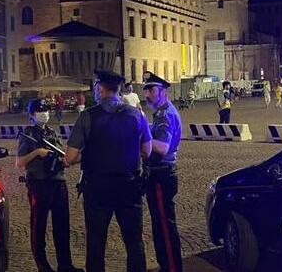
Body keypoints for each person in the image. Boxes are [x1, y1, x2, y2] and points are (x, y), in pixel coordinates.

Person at [65, 70, 151, 272]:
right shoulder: (137, 115)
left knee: (96, 243)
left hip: (97, 188)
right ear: (119, 89)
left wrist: (91, 155)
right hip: (129, 186)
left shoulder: (87, 116)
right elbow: (147, 150)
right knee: (134, 242)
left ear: (100, 89)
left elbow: (69, 157)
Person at [16, 99, 83, 272]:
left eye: (46, 110)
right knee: (39, 225)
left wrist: (64, 160)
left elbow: (61, 153)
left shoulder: (51, 132)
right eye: (40, 111)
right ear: (32, 115)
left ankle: (65, 265)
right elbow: (20, 162)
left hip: (58, 181)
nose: (44, 114)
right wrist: (37, 152)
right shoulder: (27, 135)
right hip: (39, 183)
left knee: (62, 225)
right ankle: (42, 265)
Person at [142, 73, 183, 272]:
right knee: (160, 226)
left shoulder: (166, 115)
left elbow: (162, 147)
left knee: (165, 229)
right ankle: (166, 265)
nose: (147, 94)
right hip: (159, 173)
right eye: (146, 90)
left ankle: (172, 268)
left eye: (152, 90)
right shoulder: (160, 113)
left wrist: (140, 140)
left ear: (163, 91)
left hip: (162, 174)